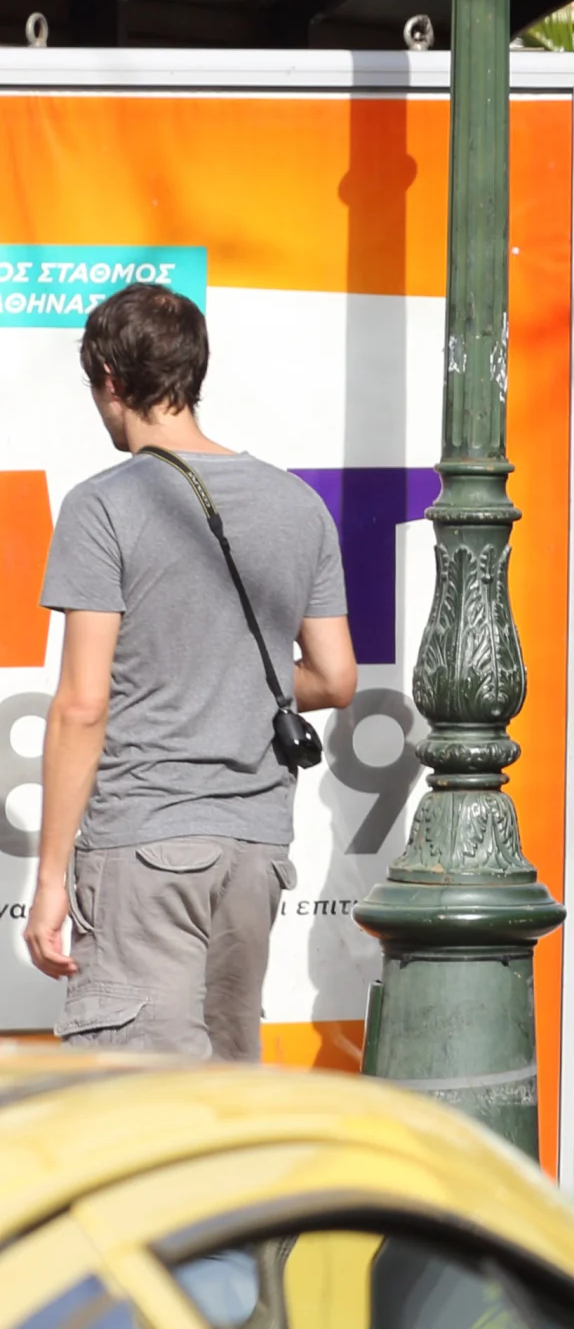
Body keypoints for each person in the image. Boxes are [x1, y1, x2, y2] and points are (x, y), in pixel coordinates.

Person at [28, 284, 357, 1059]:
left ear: (109, 377)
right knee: (222, 1114)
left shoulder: (104, 506)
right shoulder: (296, 504)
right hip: (255, 852)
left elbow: (82, 704)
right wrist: (242, 685)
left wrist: (48, 881)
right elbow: (335, 678)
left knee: (139, 1114)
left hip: (145, 844)